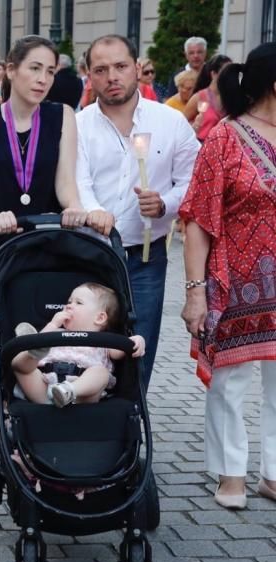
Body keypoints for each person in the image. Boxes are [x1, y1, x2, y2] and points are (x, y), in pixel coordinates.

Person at [178, 42, 276, 510]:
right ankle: (230, 472)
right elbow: (197, 217)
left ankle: (274, 473)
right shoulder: (225, 138)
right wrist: (195, 291)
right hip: (236, 281)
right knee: (231, 380)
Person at [0, 35, 93, 381]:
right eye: (34, 69)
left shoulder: (62, 116)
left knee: (46, 331)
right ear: (10, 70)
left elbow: (65, 181)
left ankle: (43, 399)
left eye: (50, 72)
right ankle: (3, 406)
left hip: (49, 244)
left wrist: (75, 208)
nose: (43, 79)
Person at [76, 34, 200, 390]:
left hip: (146, 257)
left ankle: (131, 424)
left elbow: (192, 180)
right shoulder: (80, 125)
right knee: (87, 346)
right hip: (91, 253)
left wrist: (165, 203)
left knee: (138, 347)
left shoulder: (169, 122)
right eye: (101, 69)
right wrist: (95, 211)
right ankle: (91, 425)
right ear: (89, 75)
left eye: (120, 66)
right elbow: (76, 179)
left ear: (136, 67)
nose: (112, 76)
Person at [12, 283, 146, 407]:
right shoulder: (55, 331)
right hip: (44, 385)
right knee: (20, 365)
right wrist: (53, 324)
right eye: (69, 301)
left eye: (78, 303)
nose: (69, 305)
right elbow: (43, 340)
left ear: (100, 318)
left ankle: (68, 391)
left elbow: (121, 350)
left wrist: (136, 340)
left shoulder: (104, 340)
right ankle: (32, 348)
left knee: (101, 373)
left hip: (81, 395)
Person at [184, 54, 231, 142]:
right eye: (226, 72)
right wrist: (194, 127)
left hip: (225, 148)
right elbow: (182, 123)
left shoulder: (232, 97)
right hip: (201, 146)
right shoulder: (199, 97)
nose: (231, 76)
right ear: (213, 74)